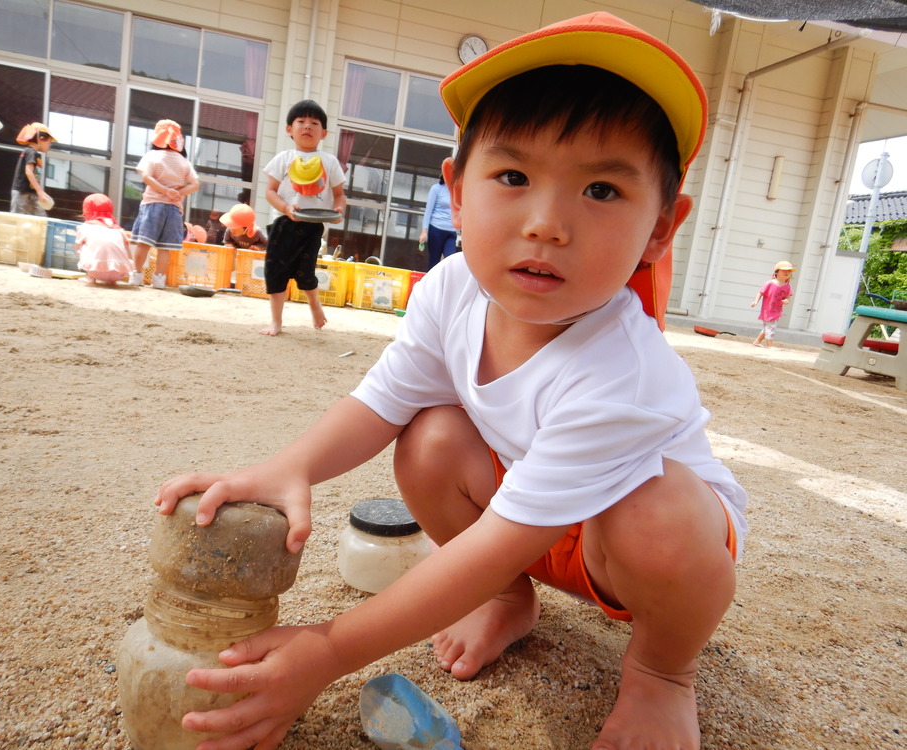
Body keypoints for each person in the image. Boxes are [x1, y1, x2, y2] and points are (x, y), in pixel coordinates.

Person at [154, 12, 747, 750]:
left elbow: (504, 535)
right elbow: (382, 401)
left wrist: (332, 649)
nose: (547, 223)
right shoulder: (451, 288)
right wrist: (288, 467)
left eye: (601, 191)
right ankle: (507, 601)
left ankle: (662, 674)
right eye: (513, 176)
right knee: (429, 436)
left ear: (662, 227)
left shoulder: (624, 373)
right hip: (536, 516)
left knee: (660, 515)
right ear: (458, 192)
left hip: (632, 550)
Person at [260, 99, 346, 335]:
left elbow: (339, 195)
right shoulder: (284, 158)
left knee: (305, 272)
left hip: (313, 226)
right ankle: (276, 321)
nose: (307, 126)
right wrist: (286, 208)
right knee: (274, 271)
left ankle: (315, 305)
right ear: (289, 129)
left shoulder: (329, 162)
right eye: (301, 121)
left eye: (314, 123)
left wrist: (338, 212)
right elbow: (269, 191)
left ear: (324, 133)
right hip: (284, 223)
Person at [127, 120, 200, 289]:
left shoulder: (152, 156)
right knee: (164, 247)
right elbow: (195, 184)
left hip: (152, 205)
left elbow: (146, 177)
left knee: (143, 243)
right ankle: (159, 280)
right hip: (173, 209)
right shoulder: (183, 162)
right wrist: (177, 192)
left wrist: (164, 190)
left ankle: (136, 275)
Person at [75, 193, 134, 286]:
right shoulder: (119, 229)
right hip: (120, 274)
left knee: (83, 245)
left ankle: (90, 278)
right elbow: (128, 253)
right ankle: (112, 281)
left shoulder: (85, 227)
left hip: (95, 272)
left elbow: (77, 247)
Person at [11, 122, 56, 216]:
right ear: (41, 138)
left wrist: (38, 192)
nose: (50, 145)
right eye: (49, 142)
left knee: (41, 217)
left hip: (31, 192)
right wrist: (40, 191)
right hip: (21, 191)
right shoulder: (31, 152)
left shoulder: (35, 154)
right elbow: (29, 172)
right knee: (16, 218)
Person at [750, 260, 795, 347]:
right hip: (768, 310)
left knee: (767, 328)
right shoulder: (770, 283)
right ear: (776, 272)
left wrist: (786, 300)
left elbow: (788, 296)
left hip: (777, 311)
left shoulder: (787, 286)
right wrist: (756, 301)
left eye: (789, 271)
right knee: (770, 328)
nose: (787, 272)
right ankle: (770, 346)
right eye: (784, 270)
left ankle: (756, 342)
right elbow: (760, 292)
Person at [419, 174, 457, 270]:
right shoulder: (436, 189)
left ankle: (447, 284)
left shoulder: (457, 191)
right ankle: (431, 284)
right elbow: (428, 211)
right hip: (436, 229)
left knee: (450, 261)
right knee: (434, 262)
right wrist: (424, 231)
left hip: (451, 231)